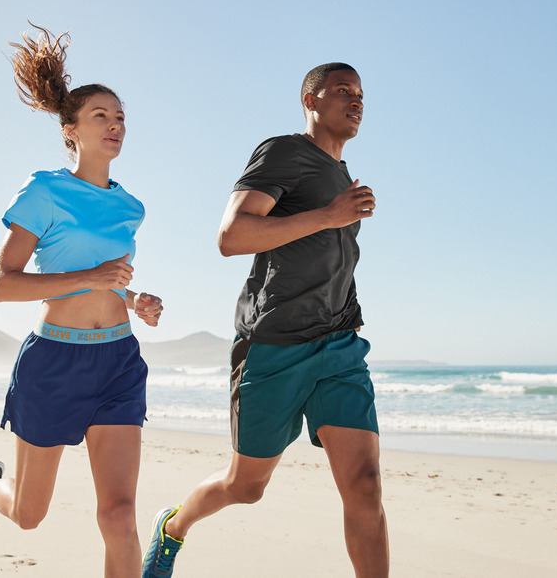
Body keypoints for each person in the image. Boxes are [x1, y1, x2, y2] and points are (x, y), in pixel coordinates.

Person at [142, 62, 388, 577]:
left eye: (361, 92)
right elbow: (231, 237)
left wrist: (335, 218)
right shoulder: (285, 152)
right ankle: (173, 526)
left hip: (340, 345)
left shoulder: (342, 175)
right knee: (245, 486)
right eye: (342, 90)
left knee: (364, 486)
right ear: (310, 100)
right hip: (274, 346)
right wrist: (328, 215)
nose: (356, 99)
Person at [0, 23, 163, 577]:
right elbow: (3, 284)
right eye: (102, 116)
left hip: (118, 361)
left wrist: (135, 297)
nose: (115, 126)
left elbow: (107, 280)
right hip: (55, 361)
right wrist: (92, 276)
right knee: (28, 514)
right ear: (71, 130)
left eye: (120, 117)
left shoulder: (131, 206)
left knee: (119, 515)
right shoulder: (43, 190)